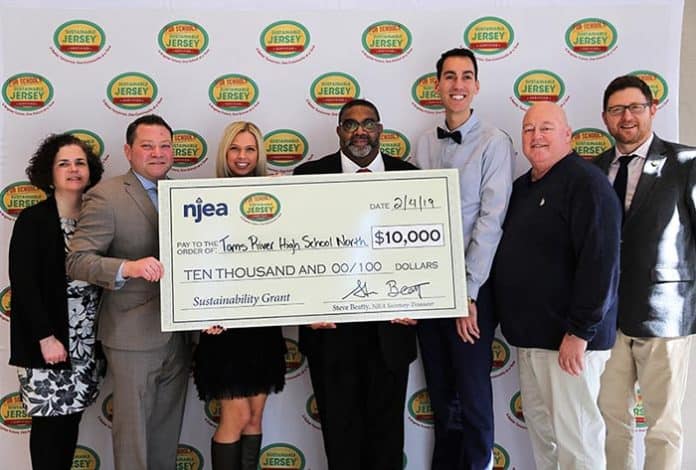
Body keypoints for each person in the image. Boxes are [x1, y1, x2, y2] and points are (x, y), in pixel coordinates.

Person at [492, 102, 621, 469]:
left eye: (546, 128)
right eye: (529, 129)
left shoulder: (586, 183)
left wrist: (580, 331)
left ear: (568, 135)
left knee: (577, 441)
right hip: (532, 341)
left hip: (569, 342)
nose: (536, 136)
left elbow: (601, 263)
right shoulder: (522, 188)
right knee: (545, 438)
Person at [293, 99, 417, 470]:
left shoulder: (410, 176)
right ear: (338, 132)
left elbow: (424, 249)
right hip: (330, 333)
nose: (359, 131)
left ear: (380, 129)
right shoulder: (308, 177)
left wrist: (418, 302)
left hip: (390, 332)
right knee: (340, 436)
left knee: (387, 437)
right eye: (350, 124)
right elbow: (293, 253)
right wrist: (307, 307)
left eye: (368, 123)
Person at [66, 115, 191, 470]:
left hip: (178, 335)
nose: (158, 153)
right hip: (131, 336)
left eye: (165, 146)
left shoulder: (183, 194)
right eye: (147, 146)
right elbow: (77, 260)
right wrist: (127, 267)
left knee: (167, 433)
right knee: (132, 436)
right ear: (128, 150)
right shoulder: (106, 196)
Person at [412, 47, 514, 470]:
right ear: (437, 85)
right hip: (431, 289)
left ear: (476, 85)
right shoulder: (423, 141)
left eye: (465, 76)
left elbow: (491, 222)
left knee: (471, 394)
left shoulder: (494, 142)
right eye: (449, 77)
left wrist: (467, 294)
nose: (457, 85)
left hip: (473, 289)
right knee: (441, 392)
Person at [595, 75, 696, 470]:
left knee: (663, 426)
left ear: (653, 109)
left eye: (635, 107)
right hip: (607, 318)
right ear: (605, 117)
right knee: (609, 423)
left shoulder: (686, 163)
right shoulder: (594, 169)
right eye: (617, 109)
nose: (627, 117)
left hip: (665, 315)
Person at [193, 121, 287, 470]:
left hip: (263, 323)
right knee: (236, 414)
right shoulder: (204, 201)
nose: (242, 156)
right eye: (235, 148)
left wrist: (286, 200)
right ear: (224, 153)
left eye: (249, 149)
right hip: (224, 328)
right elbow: (196, 260)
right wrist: (202, 313)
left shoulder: (277, 199)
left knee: (255, 417)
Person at [9, 133, 104, 470]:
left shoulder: (96, 218)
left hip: (86, 345)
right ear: (49, 173)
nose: (73, 169)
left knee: (69, 425)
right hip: (48, 344)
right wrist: (45, 337)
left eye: (80, 162)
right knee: (49, 428)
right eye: (63, 163)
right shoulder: (33, 220)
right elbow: (24, 284)